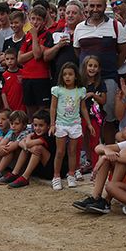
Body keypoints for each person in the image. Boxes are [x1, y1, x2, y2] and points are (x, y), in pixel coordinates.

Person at [74, 0, 126, 143]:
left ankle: (109, 153)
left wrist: (112, 67)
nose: (95, 9)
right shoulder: (79, 28)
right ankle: (90, 160)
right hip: (85, 82)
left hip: (108, 79)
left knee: (108, 119)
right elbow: (78, 51)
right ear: (87, 7)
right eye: (92, 6)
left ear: (105, 7)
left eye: (99, 6)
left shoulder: (116, 26)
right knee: (85, 119)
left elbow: (124, 51)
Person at [49, 62, 93, 190]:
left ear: (76, 76)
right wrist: (52, 124)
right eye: (65, 75)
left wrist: (89, 124)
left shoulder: (80, 91)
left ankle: (71, 174)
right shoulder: (57, 90)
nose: (67, 77)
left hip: (75, 124)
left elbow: (83, 108)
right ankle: (56, 177)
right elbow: (53, 107)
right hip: (61, 124)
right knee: (60, 151)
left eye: (70, 74)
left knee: (73, 151)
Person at [18, 5, 55, 117]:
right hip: (26, 77)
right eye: (33, 19)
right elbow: (20, 59)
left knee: (43, 109)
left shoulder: (47, 35)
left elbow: (38, 55)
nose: (35, 22)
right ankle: (32, 129)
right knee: (29, 107)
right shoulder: (26, 35)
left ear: (44, 21)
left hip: (41, 77)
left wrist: (34, 36)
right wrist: (34, 51)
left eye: (38, 19)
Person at [4, 110, 54, 189]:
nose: (37, 128)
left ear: (48, 126)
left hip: (50, 170)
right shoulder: (34, 134)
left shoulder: (48, 136)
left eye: (41, 125)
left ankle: (25, 177)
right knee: (27, 148)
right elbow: (20, 142)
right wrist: (28, 148)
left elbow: (27, 143)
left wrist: (28, 138)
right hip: (39, 169)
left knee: (37, 148)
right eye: (35, 125)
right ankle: (15, 173)